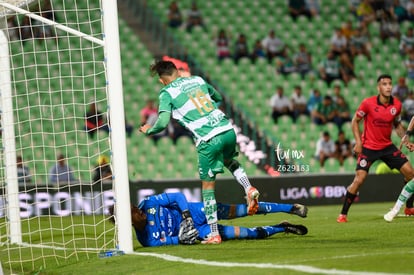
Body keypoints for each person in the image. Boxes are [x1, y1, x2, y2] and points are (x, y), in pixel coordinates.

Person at [139, 60, 260, 244]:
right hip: (226, 129)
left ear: (162, 80)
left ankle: (214, 234)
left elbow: (162, 123)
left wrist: (149, 129)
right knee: (230, 161)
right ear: (177, 72)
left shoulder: (166, 92)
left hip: (208, 138)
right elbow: (218, 97)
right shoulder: (197, 80)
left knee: (208, 188)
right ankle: (248, 187)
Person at [337, 74, 414, 223]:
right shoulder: (368, 103)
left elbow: (396, 124)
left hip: (387, 146)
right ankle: (343, 214)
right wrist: (358, 142)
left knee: (411, 173)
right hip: (368, 147)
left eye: (390, 84)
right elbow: (355, 121)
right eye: (384, 84)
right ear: (379, 87)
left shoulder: (396, 105)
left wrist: (405, 140)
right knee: (359, 180)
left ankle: (409, 207)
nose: (388, 87)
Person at [109, 192, 308, 247]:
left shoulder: (149, 203)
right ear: (129, 222)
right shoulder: (147, 240)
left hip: (198, 212)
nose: (137, 209)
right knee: (247, 234)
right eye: (133, 211)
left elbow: (178, 197)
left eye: (133, 206)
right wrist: (183, 239)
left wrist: (186, 216)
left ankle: (290, 208)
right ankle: (282, 227)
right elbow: (176, 241)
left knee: (245, 210)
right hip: (200, 232)